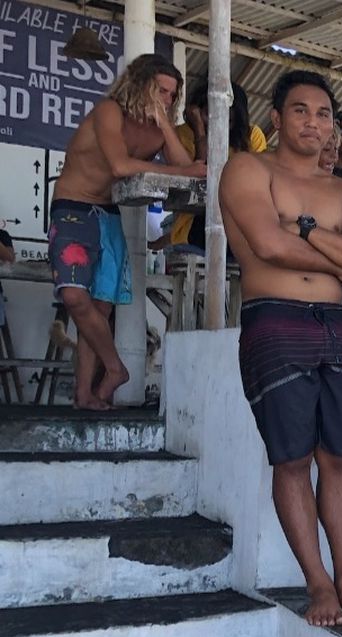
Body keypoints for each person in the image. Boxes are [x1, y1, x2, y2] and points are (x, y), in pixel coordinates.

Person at [218, 70, 342, 628]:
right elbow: (268, 244)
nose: (313, 123)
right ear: (276, 117)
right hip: (274, 318)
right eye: (300, 110)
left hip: (334, 326)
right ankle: (318, 585)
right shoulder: (248, 169)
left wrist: (308, 231)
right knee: (292, 458)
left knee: (339, 458)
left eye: (323, 114)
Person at [48, 53, 205, 410]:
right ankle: (115, 368)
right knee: (74, 297)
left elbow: (186, 166)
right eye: (160, 90)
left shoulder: (156, 129)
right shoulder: (110, 111)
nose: (166, 99)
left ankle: (86, 395)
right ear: (140, 84)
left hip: (108, 214)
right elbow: (120, 165)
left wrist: (165, 124)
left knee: (100, 308)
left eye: (172, 94)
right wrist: (184, 171)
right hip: (73, 208)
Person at [172, 80, 268, 249]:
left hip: (242, 219)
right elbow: (199, 175)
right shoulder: (182, 134)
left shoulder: (252, 135)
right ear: (197, 111)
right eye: (210, 116)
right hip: (196, 221)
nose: (218, 124)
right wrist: (200, 131)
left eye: (227, 121)